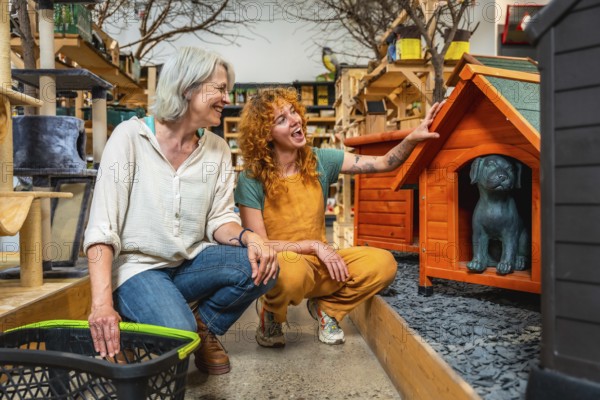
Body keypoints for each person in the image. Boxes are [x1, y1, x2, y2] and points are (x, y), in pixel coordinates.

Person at [83, 47, 278, 375]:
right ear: (188, 88)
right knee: (180, 333)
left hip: (188, 263)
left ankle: (206, 325)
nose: (226, 98)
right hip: (137, 269)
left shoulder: (215, 149)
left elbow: (220, 219)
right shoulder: (131, 138)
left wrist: (249, 237)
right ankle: (161, 320)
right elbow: (102, 227)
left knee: (265, 264)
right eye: (219, 89)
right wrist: (101, 304)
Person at [234, 87, 444, 347]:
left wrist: (412, 138)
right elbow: (259, 246)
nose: (295, 120)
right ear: (266, 134)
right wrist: (313, 246)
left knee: (384, 264)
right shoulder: (251, 179)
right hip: (286, 264)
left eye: (293, 112)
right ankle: (272, 314)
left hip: (322, 263)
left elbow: (383, 163)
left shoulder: (321, 161)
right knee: (289, 274)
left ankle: (328, 310)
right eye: (282, 119)